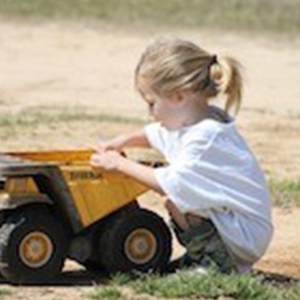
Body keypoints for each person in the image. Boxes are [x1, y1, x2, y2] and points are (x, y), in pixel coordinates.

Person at [90, 38, 273, 274]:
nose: (150, 113)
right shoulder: (196, 122)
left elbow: (170, 182)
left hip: (244, 233)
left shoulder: (205, 138)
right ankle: (202, 257)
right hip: (237, 227)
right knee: (175, 201)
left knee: (176, 196)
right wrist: (120, 141)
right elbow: (155, 134)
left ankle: (216, 265)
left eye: (152, 103)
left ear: (179, 96)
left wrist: (120, 164)